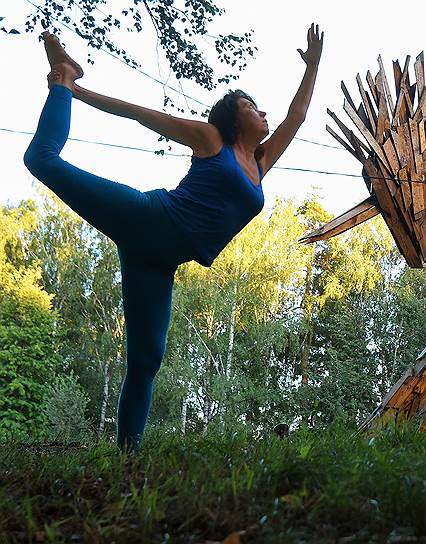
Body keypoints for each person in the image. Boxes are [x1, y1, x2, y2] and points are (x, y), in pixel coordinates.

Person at [23, 25, 324, 451]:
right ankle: (61, 77)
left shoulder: (261, 161)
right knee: (41, 160)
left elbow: (297, 116)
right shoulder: (211, 139)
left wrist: (312, 66)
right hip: (147, 220)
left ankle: (128, 460)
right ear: (234, 117)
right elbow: (142, 114)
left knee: (146, 361)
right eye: (251, 106)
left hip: (159, 262)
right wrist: (74, 91)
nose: (262, 112)